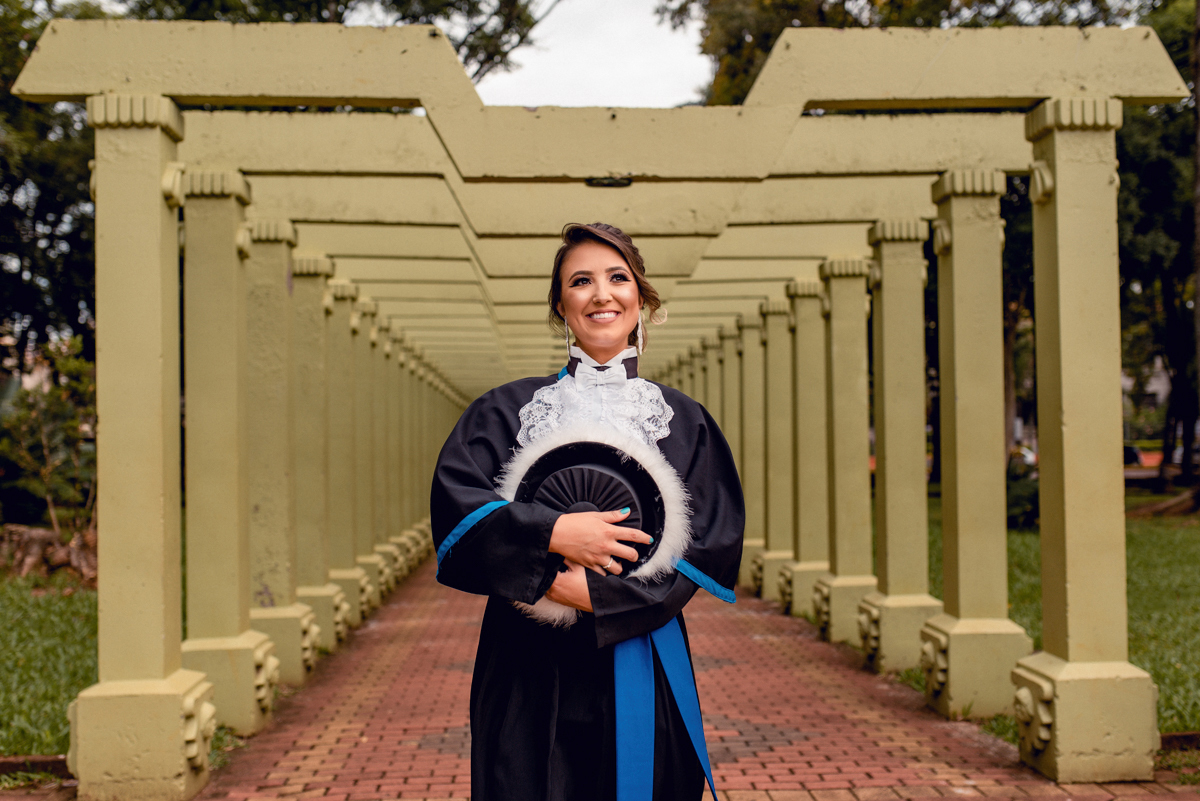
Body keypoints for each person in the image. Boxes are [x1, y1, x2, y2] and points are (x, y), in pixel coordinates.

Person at [430, 222, 745, 801]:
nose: (602, 294)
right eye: (581, 281)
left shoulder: (684, 421)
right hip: (524, 660)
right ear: (560, 304)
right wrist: (554, 536)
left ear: (642, 298)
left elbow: (707, 548)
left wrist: (595, 597)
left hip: (639, 653)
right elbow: (457, 517)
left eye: (618, 278)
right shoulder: (505, 411)